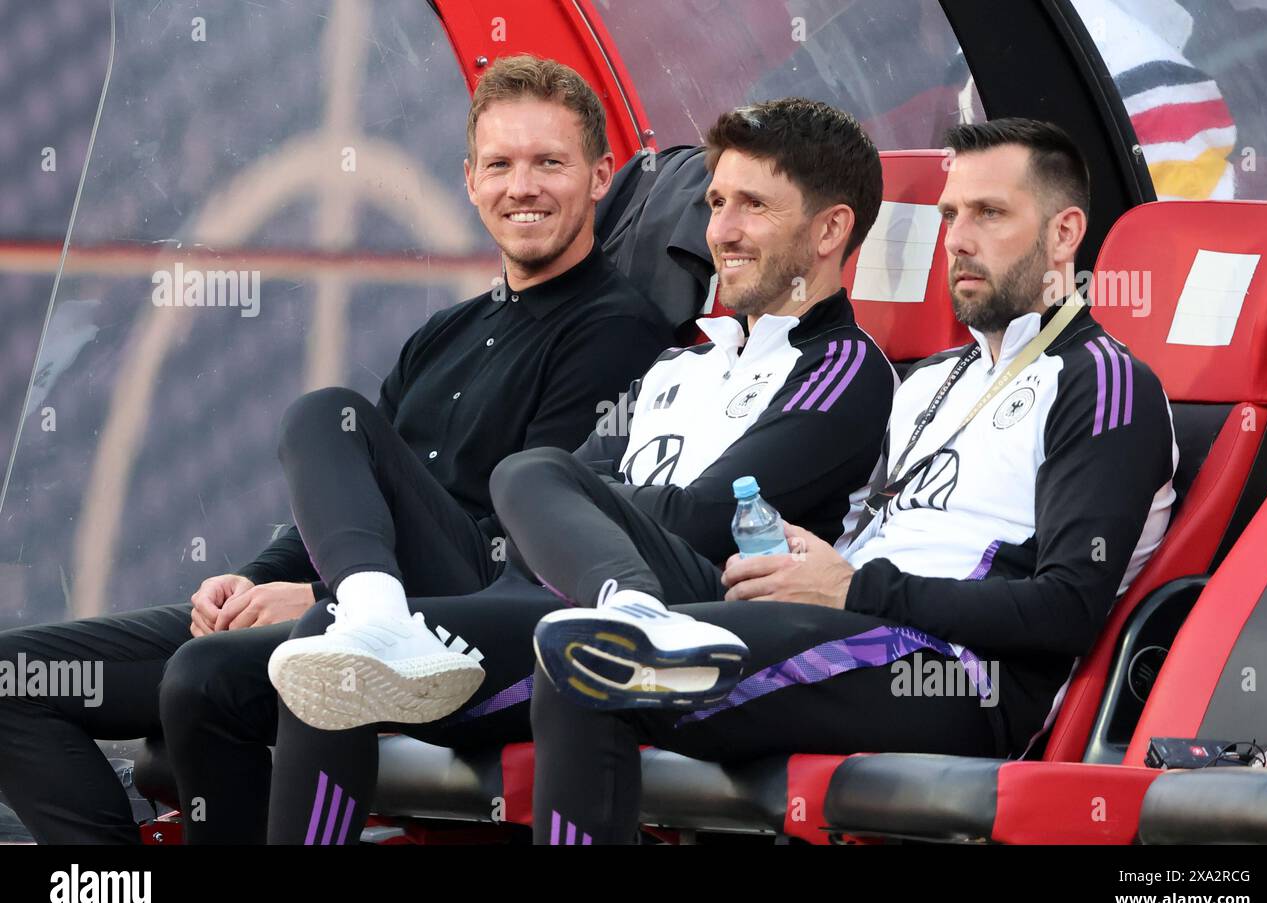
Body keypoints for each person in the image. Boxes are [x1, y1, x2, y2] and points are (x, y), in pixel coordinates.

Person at [173, 97, 896, 845]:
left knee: (488, 508)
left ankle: (442, 618)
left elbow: (709, 519)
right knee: (327, 424)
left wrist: (579, 502)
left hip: (673, 618)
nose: (722, 230)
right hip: (524, 584)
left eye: (753, 206)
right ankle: (374, 605)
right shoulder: (684, 360)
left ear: (829, 230)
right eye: (716, 202)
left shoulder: (842, 364)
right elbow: (544, 506)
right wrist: (575, 502)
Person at [0, 54, 669, 844]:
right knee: (14, 677)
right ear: (469, 180)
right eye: (500, 164)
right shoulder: (447, 332)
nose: (521, 186)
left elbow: (538, 540)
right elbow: (348, 489)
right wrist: (252, 580)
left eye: (548, 163)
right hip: (350, 598)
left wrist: (336, 597)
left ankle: (360, 610)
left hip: (456, 623)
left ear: (599, 177)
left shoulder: (615, 328)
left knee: (322, 423)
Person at [513, 117, 1179, 844]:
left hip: (952, 677)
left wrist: (853, 589)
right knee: (573, 602)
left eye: (990, 214)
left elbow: (1066, 610)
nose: (957, 239)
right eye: (950, 215)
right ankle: (626, 606)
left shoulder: (1106, 384)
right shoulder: (928, 381)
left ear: (1064, 234)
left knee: (595, 666)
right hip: (843, 620)